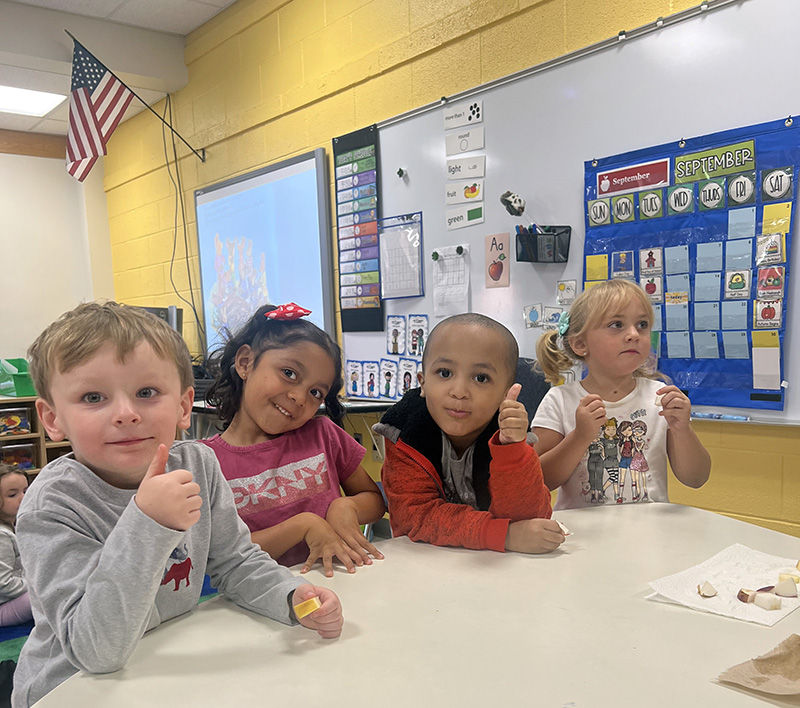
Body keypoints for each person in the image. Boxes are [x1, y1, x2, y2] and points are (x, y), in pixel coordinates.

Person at [14, 302, 342, 708]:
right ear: (52, 418)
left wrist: (292, 596)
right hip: (71, 687)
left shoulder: (197, 464)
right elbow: (95, 650)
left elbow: (236, 561)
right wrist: (147, 522)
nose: (126, 414)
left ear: (184, 406)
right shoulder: (51, 506)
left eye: (147, 393)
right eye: (93, 397)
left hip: (164, 670)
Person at [204, 303, 386, 577]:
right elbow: (218, 552)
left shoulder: (323, 435)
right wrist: (301, 527)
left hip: (340, 585)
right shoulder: (204, 463)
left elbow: (374, 500)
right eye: (289, 373)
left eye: (315, 392)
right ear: (245, 363)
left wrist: (346, 505)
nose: (299, 398)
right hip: (259, 603)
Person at [374, 313, 564, 554]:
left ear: (504, 393)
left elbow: (530, 517)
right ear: (422, 382)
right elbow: (417, 516)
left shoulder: (512, 434)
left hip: (494, 566)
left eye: (481, 378)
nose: (460, 392)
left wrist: (512, 451)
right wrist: (503, 535)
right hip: (423, 563)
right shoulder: (404, 436)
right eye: (444, 373)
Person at [532, 279, 711, 510]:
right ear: (580, 344)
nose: (634, 334)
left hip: (648, 533)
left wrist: (682, 429)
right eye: (617, 325)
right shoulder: (559, 400)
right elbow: (539, 481)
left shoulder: (658, 396)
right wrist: (580, 437)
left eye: (642, 324)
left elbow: (696, 479)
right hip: (584, 536)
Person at [0, 464, 32, 627]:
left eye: (26, 491)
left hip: (11, 596)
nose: (23, 498)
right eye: (13, 495)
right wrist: (33, 583)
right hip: (3, 606)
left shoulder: (14, 524)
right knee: (45, 595)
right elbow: (3, 584)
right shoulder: (1, 536)